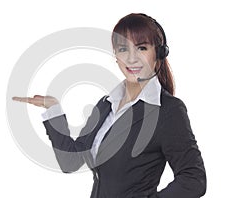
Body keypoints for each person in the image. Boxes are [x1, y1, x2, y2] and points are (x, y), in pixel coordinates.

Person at [12, 13, 206, 198]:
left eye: (142, 48)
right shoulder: (106, 104)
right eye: (123, 49)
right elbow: (70, 161)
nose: (131, 58)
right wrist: (54, 109)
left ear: (159, 53)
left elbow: (193, 179)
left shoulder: (168, 111)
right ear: (116, 55)